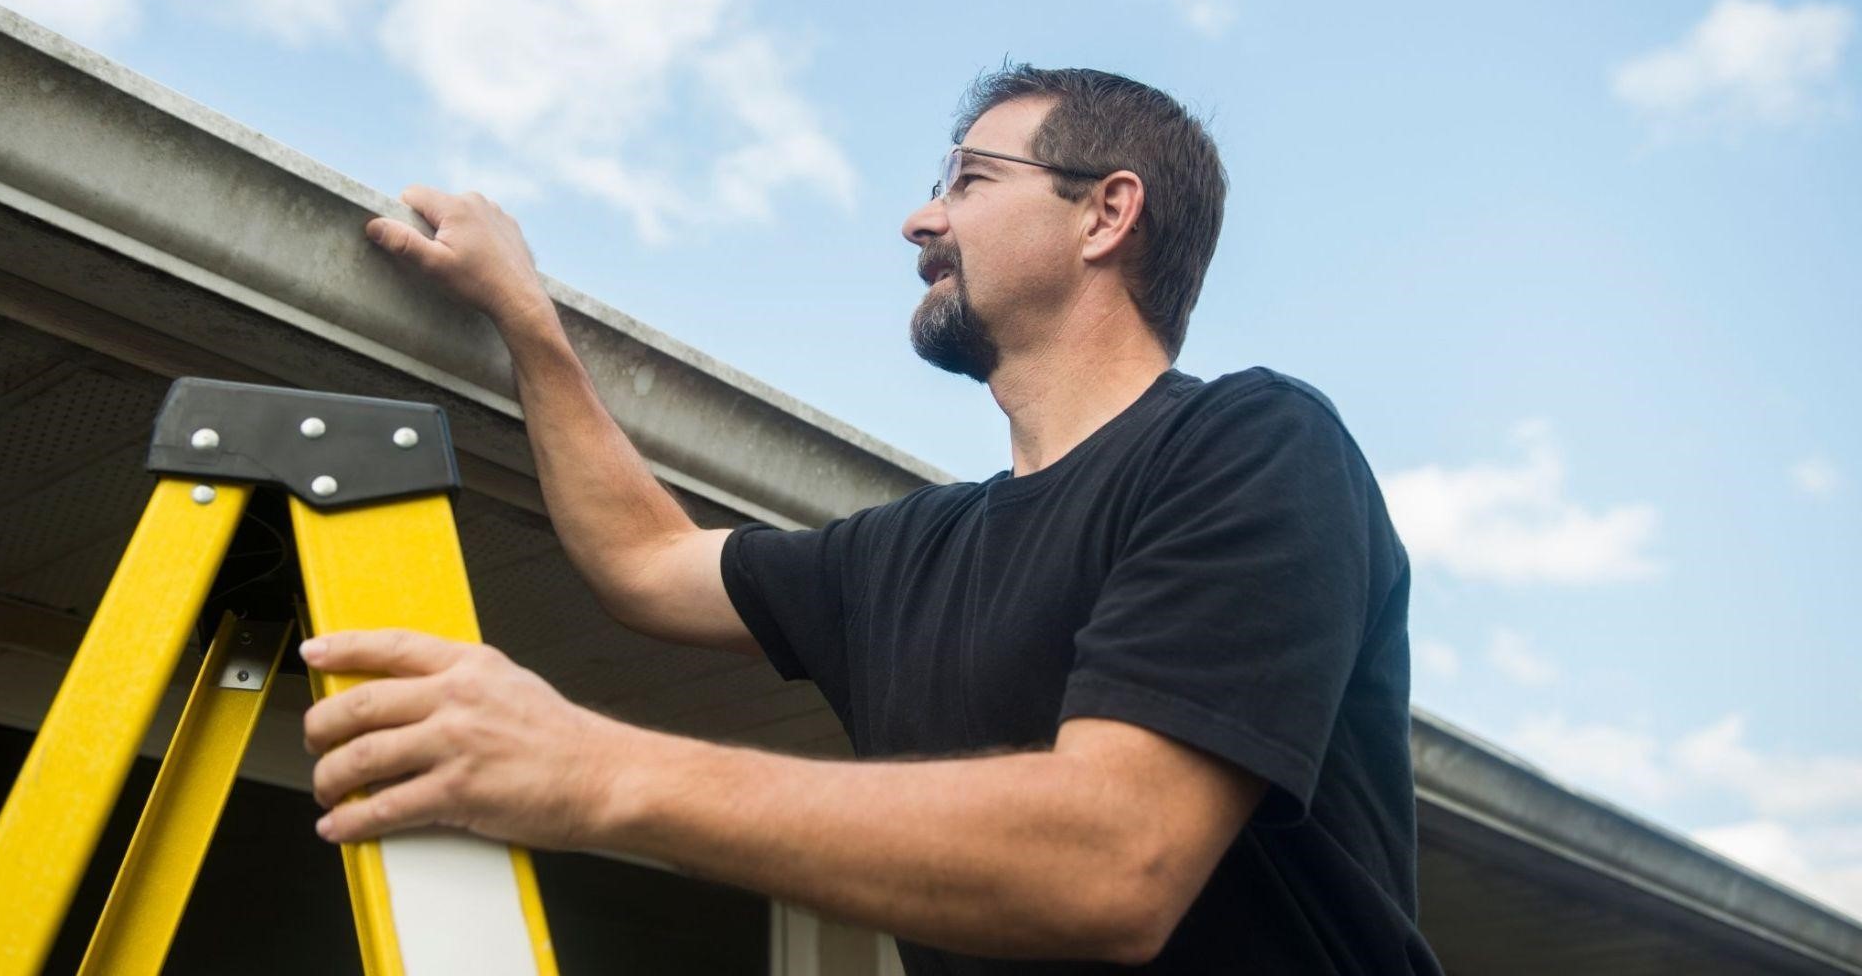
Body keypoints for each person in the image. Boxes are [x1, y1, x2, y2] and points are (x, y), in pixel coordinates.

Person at [300, 65, 1443, 973]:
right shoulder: (908, 553)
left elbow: (1118, 858)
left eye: (967, 180)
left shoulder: (1252, 445)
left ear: (1105, 212)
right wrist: (525, 320)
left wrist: (592, 770)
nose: (917, 219)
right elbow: (645, 561)